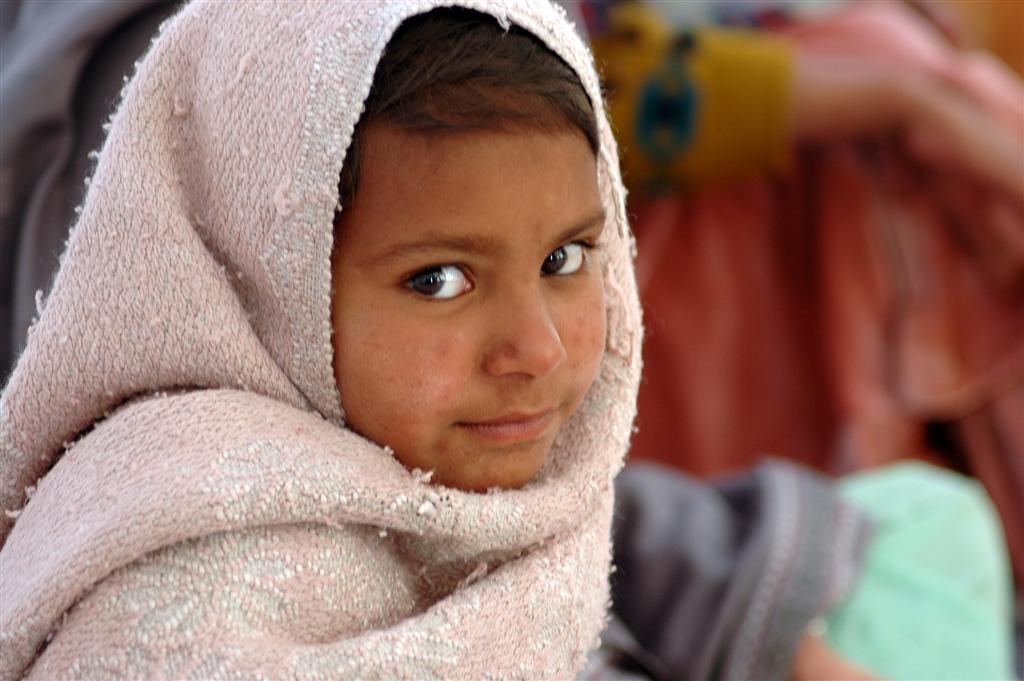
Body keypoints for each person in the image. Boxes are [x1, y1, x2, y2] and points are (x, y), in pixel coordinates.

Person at [0, 2, 1012, 680]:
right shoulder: (190, 609)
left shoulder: (436, 451)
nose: (534, 347)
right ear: (254, 275)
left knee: (936, 527)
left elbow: (552, 542)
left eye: (571, 258)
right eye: (438, 280)